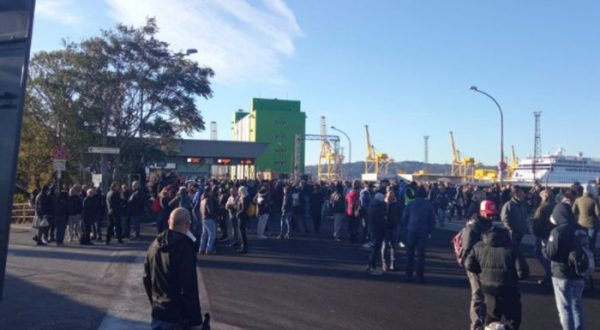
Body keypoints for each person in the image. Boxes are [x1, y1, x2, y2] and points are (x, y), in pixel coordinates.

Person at [143, 207, 204, 330]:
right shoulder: (184, 248)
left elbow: (146, 278)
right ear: (187, 224)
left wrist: (154, 302)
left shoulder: (154, 245)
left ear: (168, 222)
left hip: (159, 312)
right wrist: (195, 320)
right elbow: (189, 287)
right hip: (177, 316)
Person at [465, 224, 529, 330]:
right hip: (508, 288)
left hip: (487, 288)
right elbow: (522, 272)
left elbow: (468, 265)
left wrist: (481, 273)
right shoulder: (512, 247)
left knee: (491, 317)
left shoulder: (478, 246)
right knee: (513, 319)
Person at [545, 189, 586, 330]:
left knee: (565, 309)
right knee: (577, 306)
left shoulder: (558, 231)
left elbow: (551, 253)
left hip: (562, 273)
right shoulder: (580, 229)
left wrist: (544, 247)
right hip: (579, 273)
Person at [461, 200, 497, 330]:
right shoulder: (473, 227)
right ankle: (476, 324)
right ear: (481, 212)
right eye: (488, 214)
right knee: (477, 295)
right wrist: (471, 265)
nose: (491, 217)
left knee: (484, 294)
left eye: (493, 214)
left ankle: (483, 320)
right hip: (475, 265)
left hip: (484, 264)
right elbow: (467, 248)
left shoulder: (486, 224)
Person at [402, 187, 435, 283]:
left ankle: (408, 275)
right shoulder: (429, 205)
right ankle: (419, 276)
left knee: (409, 254)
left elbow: (404, 217)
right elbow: (432, 220)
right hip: (423, 232)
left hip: (411, 230)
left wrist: (406, 227)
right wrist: (430, 232)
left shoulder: (410, 203)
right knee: (421, 255)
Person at [532, 189, 556, 286]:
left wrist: (536, 233)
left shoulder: (542, 208)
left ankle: (550, 273)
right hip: (552, 232)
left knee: (539, 253)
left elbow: (537, 223)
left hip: (543, 234)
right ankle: (551, 272)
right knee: (549, 253)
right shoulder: (555, 205)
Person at [572, 183, 599, 261]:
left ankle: (582, 258)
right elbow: (598, 213)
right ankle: (592, 260)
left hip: (581, 223)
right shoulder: (593, 200)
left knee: (582, 242)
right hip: (592, 224)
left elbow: (573, 211)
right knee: (591, 244)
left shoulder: (578, 200)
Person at [366, 193, 387, 276]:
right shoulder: (378, 208)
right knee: (375, 250)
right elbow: (381, 222)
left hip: (372, 230)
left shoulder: (372, 206)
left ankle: (370, 265)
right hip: (378, 231)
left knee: (374, 249)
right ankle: (372, 267)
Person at [199, 188, 218, 254]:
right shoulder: (208, 200)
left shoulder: (202, 200)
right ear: (208, 192)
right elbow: (210, 211)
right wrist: (215, 217)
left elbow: (200, 210)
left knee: (204, 234)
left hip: (203, 218)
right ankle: (209, 249)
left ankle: (201, 249)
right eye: (210, 192)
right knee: (212, 235)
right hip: (209, 218)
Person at [236, 186, 251, 253]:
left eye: (239, 191)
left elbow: (244, 209)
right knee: (242, 232)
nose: (238, 192)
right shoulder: (244, 197)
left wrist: (238, 213)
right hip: (242, 216)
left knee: (242, 232)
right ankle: (244, 246)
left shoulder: (245, 198)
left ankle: (244, 247)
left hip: (243, 217)